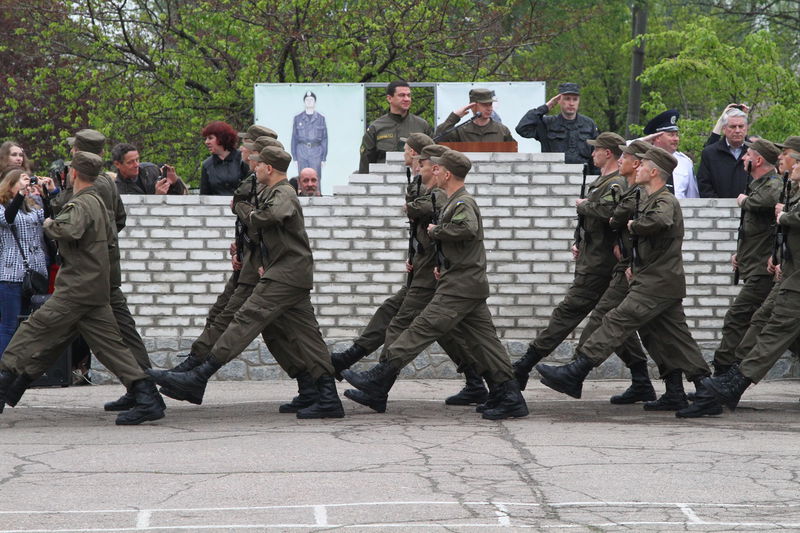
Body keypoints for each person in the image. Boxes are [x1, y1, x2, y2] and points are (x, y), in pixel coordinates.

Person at [147, 146, 344, 419]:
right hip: (288, 272)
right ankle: (326, 397)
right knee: (309, 337)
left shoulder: (283, 192)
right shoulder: (273, 192)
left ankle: (200, 376)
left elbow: (271, 217)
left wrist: (245, 211)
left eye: (259, 164)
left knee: (246, 318)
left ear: (269, 168)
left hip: (286, 274)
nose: (255, 167)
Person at [534, 147, 722, 418]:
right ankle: (696, 392)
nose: (638, 168)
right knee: (673, 339)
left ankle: (577, 371)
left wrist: (633, 225)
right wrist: (633, 263)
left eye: (643, 164)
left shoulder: (664, 200)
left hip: (658, 282)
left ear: (654, 171)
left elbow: (659, 221)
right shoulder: (647, 197)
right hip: (653, 279)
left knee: (616, 320)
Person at [341, 149, 529, 420]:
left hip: (461, 286)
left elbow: (468, 229)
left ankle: (381, 376)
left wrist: (436, 231)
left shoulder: (462, 202)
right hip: (464, 282)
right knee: (485, 343)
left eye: (438, 169)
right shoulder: (454, 201)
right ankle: (508, 394)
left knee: (421, 327)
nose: (433, 172)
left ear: (448, 173)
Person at [0, 152, 164, 425]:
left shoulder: (83, 203)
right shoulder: (98, 201)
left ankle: (4, 381)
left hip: (77, 285)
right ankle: (148, 397)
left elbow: (68, 231)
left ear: (74, 174)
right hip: (94, 284)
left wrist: (49, 223)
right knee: (111, 346)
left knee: (35, 328)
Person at [512, 133, 630, 392]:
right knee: (613, 323)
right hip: (594, 260)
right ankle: (642, 379)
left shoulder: (615, 183)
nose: (592, 154)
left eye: (596, 150)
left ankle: (524, 365)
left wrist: (585, 206)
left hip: (600, 266)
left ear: (608, 152)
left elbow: (612, 215)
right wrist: (581, 242)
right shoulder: (603, 182)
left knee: (567, 313)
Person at [703, 152, 800, 410]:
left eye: (796, 161)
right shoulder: (792, 192)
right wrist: (777, 256)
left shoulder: (777, 188)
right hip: (787, 274)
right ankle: (728, 379)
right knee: (764, 322)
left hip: (790, 278)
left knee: (772, 329)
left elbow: (784, 222)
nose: (791, 166)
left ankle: (734, 382)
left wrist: (783, 216)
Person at [706, 139, 782, 376]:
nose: (743, 159)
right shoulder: (759, 185)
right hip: (755, 264)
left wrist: (744, 201)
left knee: (736, 317)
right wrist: (741, 253)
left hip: (764, 269)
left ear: (758, 160)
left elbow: (768, 204)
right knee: (784, 330)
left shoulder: (773, 184)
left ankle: (722, 374)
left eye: (748, 155)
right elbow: (757, 230)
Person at [0, 168, 54, 355]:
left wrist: (47, 192)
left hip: (35, 273)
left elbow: (49, 217)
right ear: (11, 184)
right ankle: (2, 369)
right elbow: (8, 219)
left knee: (28, 326)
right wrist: (21, 195)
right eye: (22, 180)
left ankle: (18, 366)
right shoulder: (2, 206)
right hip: (11, 274)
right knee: (9, 324)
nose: (27, 183)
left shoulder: (32, 206)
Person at [515, 82, 599, 172]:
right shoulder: (548, 123)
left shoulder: (589, 124)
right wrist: (546, 107)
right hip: (554, 179)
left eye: (575, 99)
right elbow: (522, 128)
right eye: (567, 99)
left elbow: (597, 154)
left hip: (583, 178)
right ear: (558, 100)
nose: (571, 103)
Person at [358, 80, 433, 174]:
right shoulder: (376, 127)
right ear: (389, 98)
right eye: (402, 95)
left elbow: (432, 157)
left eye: (409, 95)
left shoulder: (422, 125)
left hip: (416, 181)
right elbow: (366, 163)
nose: (407, 99)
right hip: (382, 183)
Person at [639, 109, 699, 199]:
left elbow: (692, 197)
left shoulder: (685, 162)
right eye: (671, 135)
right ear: (657, 137)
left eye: (677, 135)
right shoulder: (642, 159)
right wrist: (642, 141)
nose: (676, 139)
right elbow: (621, 151)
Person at [697, 106, 750, 198]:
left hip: (750, 209)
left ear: (746, 128)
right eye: (733, 127)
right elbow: (704, 186)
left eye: (741, 126)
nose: (737, 130)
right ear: (724, 129)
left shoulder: (755, 152)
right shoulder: (710, 153)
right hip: (717, 209)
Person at [433, 88, 514, 143]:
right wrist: (454, 117)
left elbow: (513, 152)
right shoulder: (462, 130)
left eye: (490, 104)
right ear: (473, 106)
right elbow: (438, 139)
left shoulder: (502, 130)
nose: (489, 108)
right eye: (484, 105)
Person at [111, 143, 188, 195]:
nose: (136, 165)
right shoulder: (117, 190)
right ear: (117, 164)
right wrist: (157, 198)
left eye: (137, 160)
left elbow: (180, 197)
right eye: (130, 162)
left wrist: (175, 183)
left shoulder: (151, 170)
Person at [200, 121, 249, 195]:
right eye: (206, 138)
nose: (206, 142)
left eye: (210, 138)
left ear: (222, 138)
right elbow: (204, 196)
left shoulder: (242, 159)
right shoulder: (206, 165)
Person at [291, 91, 328, 183]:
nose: (309, 102)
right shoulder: (298, 118)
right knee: (302, 177)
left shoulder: (321, 118)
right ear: (304, 102)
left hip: (316, 151)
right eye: (307, 100)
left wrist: (323, 158)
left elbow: (324, 139)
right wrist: (295, 157)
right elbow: (294, 138)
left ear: (315, 102)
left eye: (311, 100)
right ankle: (302, 197)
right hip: (302, 151)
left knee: (316, 176)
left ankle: (317, 196)